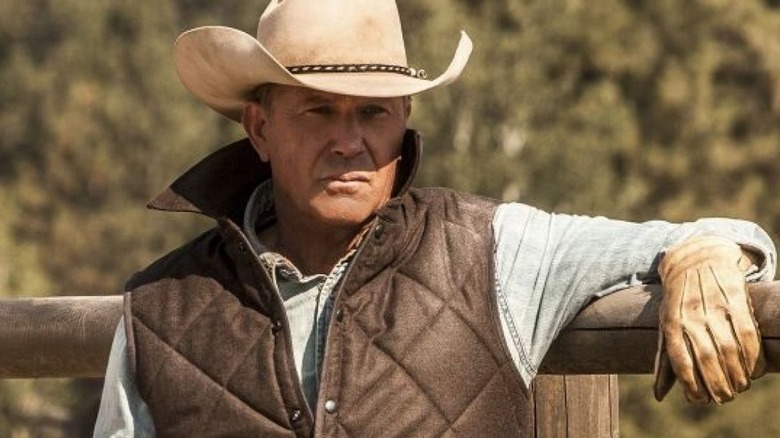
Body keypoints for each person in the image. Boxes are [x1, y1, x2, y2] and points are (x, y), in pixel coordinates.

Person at [93, 0, 777, 436]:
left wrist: (705, 257)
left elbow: (708, 238)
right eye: (317, 110)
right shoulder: (160, 311)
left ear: (403, 123)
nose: (349, 140)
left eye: (373, 112)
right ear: (260, 127)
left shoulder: (494, 252)